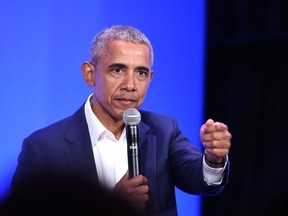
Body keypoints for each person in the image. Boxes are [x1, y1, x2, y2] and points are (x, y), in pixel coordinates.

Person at [10, 25, 232, 216]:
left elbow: (199, 180)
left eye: (141, 73)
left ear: (150, 78)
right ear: (89, 74)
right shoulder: (43, 148)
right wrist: (107, 206)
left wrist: (213, 159)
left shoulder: (164, 131)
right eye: (118, 70)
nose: (131, 85)